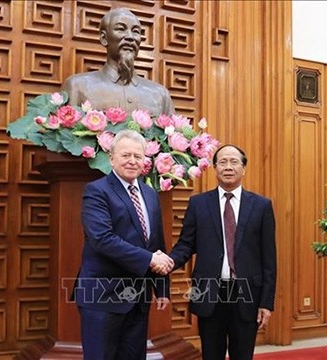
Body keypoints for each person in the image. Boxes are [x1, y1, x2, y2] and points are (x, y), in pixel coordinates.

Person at [167, 144, 277, 360]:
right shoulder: (198, 204)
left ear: (244, 169)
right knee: (211, 355)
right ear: (214, 168)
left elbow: (269, 259)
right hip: (210, 293)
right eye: (223, 162)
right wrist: (167, 262)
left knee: (243, 355)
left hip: (247, 293)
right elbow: (186, 245)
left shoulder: (262, 206)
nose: (228, 167)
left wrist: (266, 302)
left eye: (234, 162)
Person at [75, 129, 174, 360]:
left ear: (145, 161)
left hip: (138, 298)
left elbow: (156, 242)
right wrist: (150, 260)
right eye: (126, 155)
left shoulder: (150, 194)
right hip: (103, 298)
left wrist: (161, 288)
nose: (132, 161)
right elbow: (102, 239)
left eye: (138, 156)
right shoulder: (96, 191)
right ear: (111, 158)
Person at [61, 7, 176, 117]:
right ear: (104, 38)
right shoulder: (78, 86)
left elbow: (175, 134)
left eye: (136, 31)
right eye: (121, 29)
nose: (130, 37)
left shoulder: (160, 94)